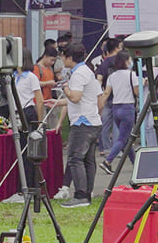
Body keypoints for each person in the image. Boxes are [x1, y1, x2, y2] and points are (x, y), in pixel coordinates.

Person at [59, 42, 102, 206]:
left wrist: (65, 87)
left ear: (69, 57)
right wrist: (58, 103)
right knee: (88, 160)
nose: (62, 59)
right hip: (92, 120)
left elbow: (75, 97)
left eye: (63, 56)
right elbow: (96, 98)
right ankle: (87, 194)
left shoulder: (77, 74)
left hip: (82, 122)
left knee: (75, 158)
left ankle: (80, 195)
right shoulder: (88, 71)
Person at [101, 48, 138, 168]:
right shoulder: (132, 75)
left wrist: (99, 106)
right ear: (126, 61)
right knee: (123, 138)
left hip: (116, 108)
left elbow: (106, 93)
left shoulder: (112, 76)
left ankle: (136, 163)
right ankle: (108, 161)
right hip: (128, 107)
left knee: (126, 138)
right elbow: (137, 92)